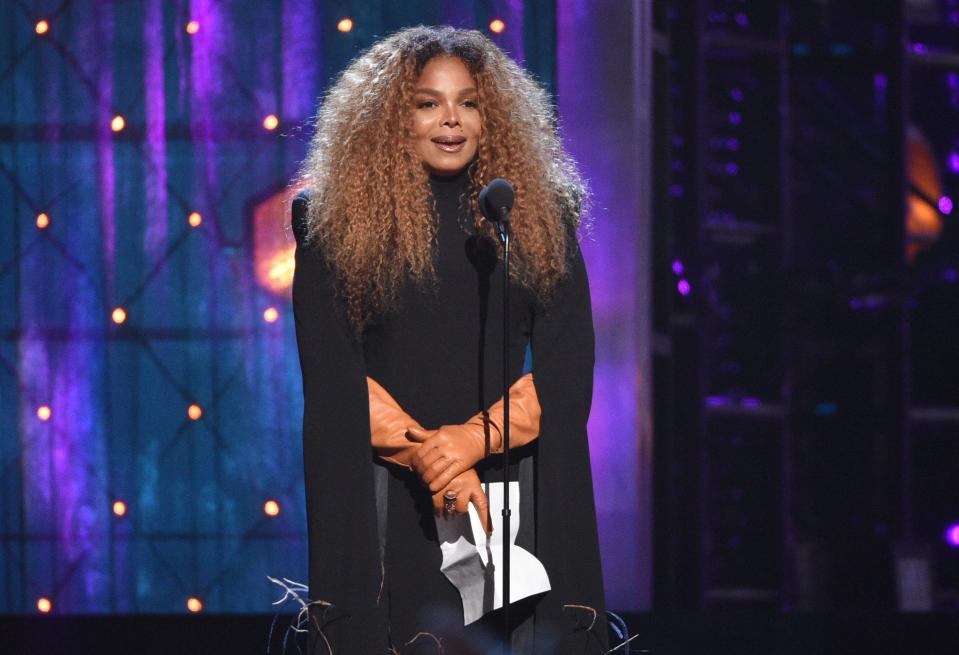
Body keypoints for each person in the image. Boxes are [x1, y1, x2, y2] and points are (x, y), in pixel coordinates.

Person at [291, 25, 606, 654]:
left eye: (469, 102)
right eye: (427, 103)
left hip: (512, 492)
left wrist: (468, 442)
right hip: (384, 491)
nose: (451, 120)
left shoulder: (536, 215)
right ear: (393, 117)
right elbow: (333, 376)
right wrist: (436, 465)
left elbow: (566, 368)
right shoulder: (329, 219)